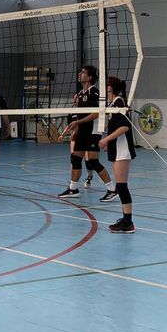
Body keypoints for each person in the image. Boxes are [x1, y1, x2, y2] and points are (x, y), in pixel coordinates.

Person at [57, 65, 118, 202]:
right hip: (82, 130)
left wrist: (78, 123)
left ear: (90, 77)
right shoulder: (80, 94)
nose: (80, 74)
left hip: (93, 131)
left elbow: (97, 113)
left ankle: (112, 189)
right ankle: (73, 189)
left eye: (83, 72)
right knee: (75, 158)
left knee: (93, 162)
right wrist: (75, 129)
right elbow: (79, 114)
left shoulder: (94, 93)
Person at [96, 76, 137, 234]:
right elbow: (116, 129)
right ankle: (126, 220)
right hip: (117, 149)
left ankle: (128, 222)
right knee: (121, 186)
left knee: (121, 186)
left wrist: (106, 139)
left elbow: (124, 128)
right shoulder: (113, 104)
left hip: (123, 150)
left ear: (109, 88)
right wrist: (109, 143)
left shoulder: (119, 102)